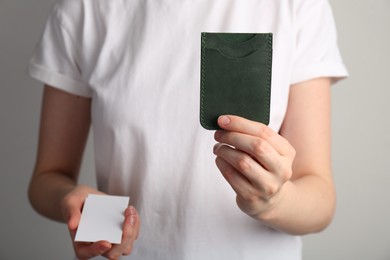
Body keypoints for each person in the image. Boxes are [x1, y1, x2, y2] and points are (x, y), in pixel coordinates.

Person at [27, 0, 348, 259]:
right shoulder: (84, 10)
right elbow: (46, 180)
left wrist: (275, 201)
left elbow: (320, 199)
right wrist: (78, 204)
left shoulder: (298, 6)